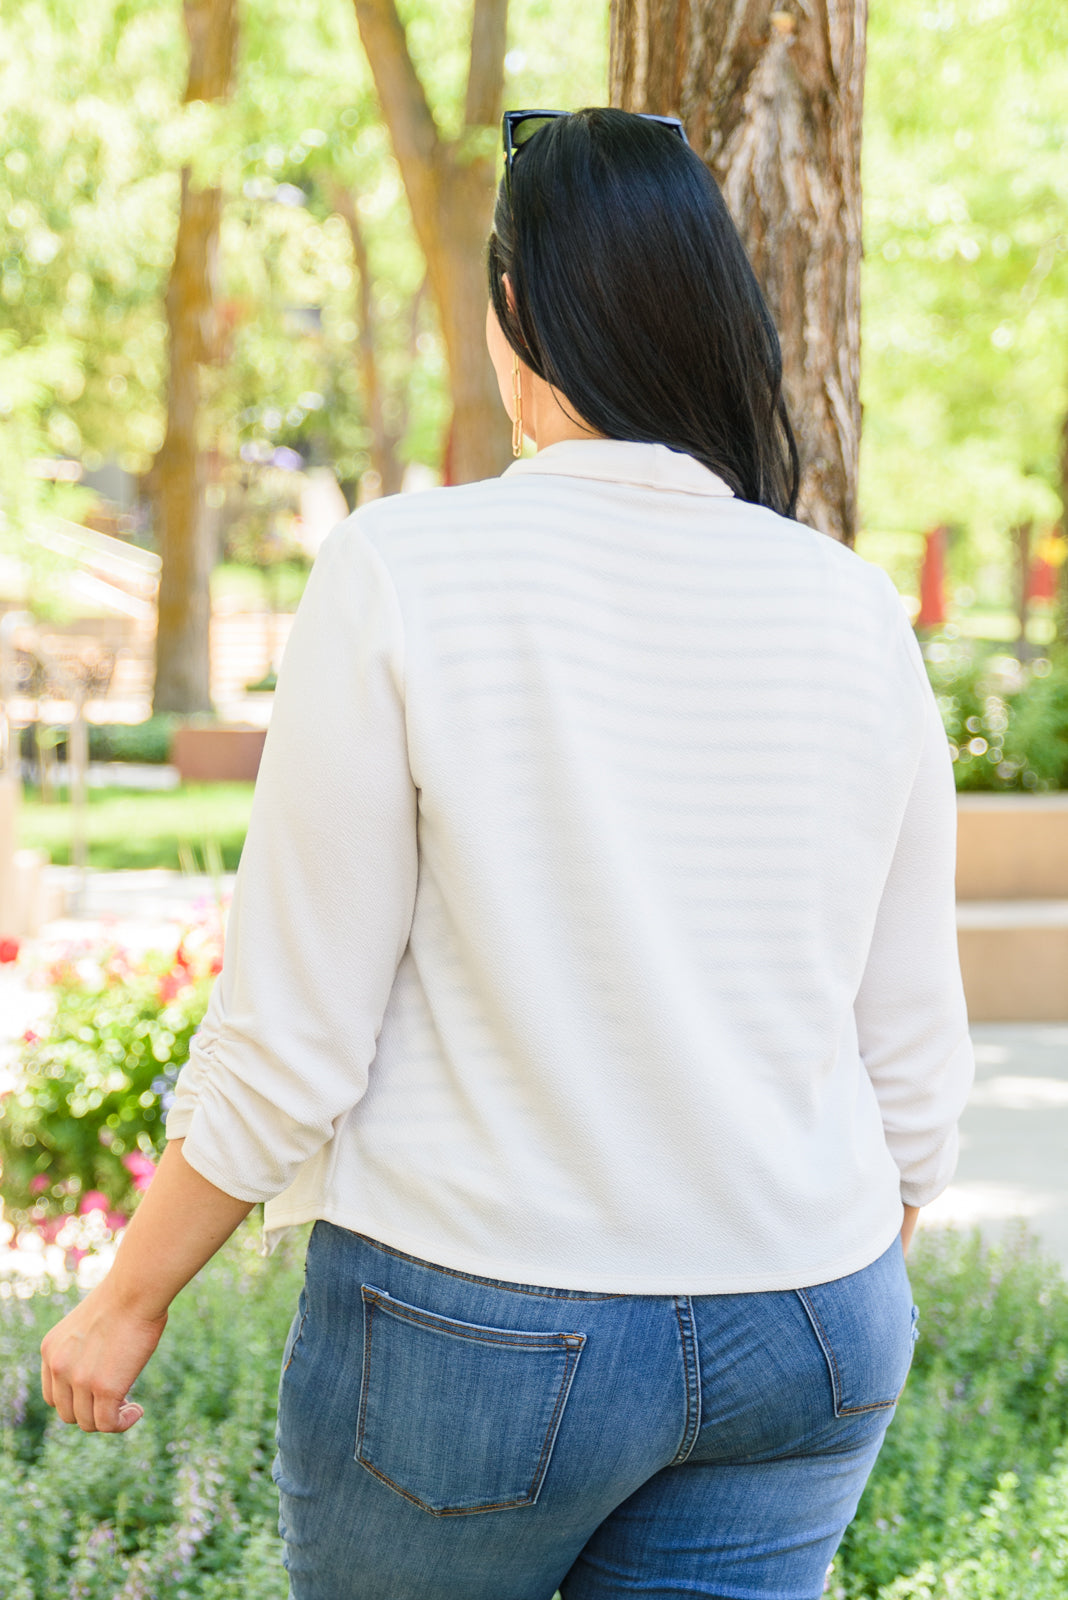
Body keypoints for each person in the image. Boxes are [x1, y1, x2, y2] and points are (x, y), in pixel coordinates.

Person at [41, 107, 974, 1600]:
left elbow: (295, 1039)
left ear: (519, 312)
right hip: (810, 1312)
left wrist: (126, 1299)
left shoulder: (402, 572)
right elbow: (914, 1055)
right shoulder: (853, 608)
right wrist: (805, 1243)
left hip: (477, 1323)